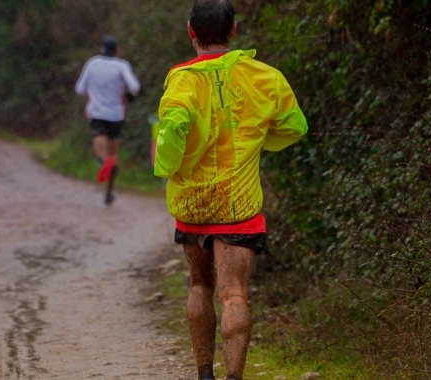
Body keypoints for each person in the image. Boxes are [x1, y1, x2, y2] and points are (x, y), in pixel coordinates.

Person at [153, 1, 308, 379]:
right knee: (234, 293)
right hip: (240, 206)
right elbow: (294, 127)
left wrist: (166, 167)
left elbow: (173, 127)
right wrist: (257, 140)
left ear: (191, 31)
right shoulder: (265, 76)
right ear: (233, 30)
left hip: (192, 204)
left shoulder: (182, 79)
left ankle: (204, 374)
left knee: (199, 285)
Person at [75, 36, 141, 205]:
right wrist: (126, 95)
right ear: (116, 50)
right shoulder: (121, 65)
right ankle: (109, 193)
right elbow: (135, 87)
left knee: (101, 151)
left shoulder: (92, 64)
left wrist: (94, 92)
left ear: (101, 49)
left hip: (97, 113)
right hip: (116, 115)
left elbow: (79, 88)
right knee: (114, 154)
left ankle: (103, 162)